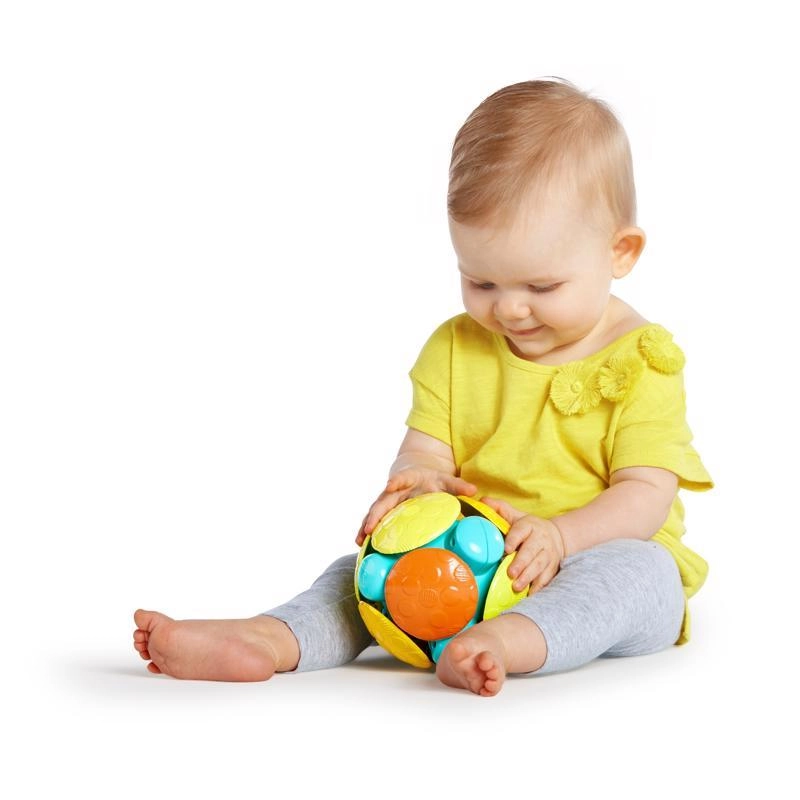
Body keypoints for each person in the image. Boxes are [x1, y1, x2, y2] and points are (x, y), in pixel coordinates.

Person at [133, 78, 713, 696]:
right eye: (481, 282)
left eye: (541, 287)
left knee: (636, 575)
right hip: (464, 564)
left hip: (594, 552)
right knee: (358, 576)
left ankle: (503, 643)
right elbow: (426, 450)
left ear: (620, 252)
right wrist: (418, 483)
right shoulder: (455, 347)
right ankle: (271, 637)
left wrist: (559, 537)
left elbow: (645, 496)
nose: (509, 309)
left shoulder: (642, 360)